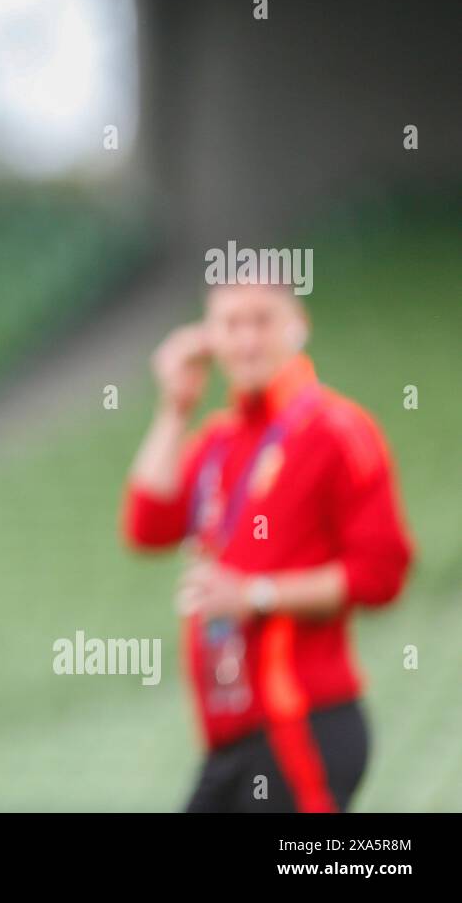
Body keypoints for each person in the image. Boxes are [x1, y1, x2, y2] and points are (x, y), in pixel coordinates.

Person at [122, 281, 413, 812]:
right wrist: (174, 406)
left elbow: (381, 574)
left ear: (295, 327)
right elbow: (146, 524)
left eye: (261, 321)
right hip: (231, 739)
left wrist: (255, 594)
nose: (248, 340)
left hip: (300, 722)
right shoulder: (218, 440)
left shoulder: (335, 429)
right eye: (231, 325)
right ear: (210, 339)